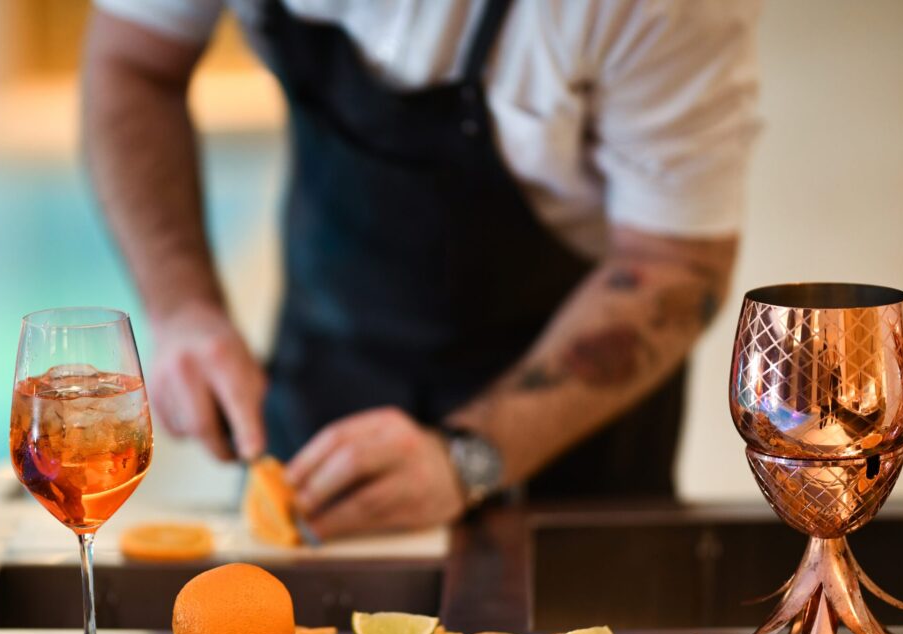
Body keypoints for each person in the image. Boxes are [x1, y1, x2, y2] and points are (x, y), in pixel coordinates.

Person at [84, 0, 760, 539]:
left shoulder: (658, 8)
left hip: (569, 439)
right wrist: (183, 308)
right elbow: (132, 66)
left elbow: (675, 263)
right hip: (322, 383)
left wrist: (467, 456)